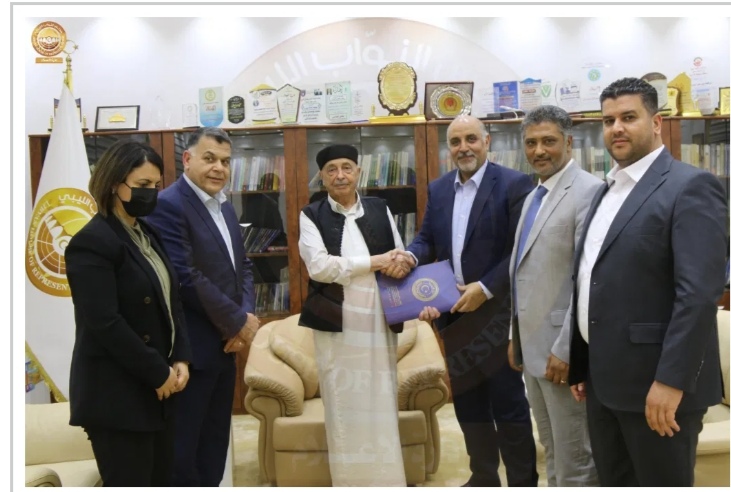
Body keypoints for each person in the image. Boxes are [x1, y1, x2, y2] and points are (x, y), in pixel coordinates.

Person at [568, 77, 728, 486]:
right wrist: (582, 363)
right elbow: (591, 280)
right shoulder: (606, 191)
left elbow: (698, 295)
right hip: (604, 383)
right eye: (608, 121)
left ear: (656, 123)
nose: (616, 128)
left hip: (658, 387)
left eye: (628, 117)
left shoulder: (689, 186)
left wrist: (671, 381)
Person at [400, 114, 538, 487]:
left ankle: (523, 482)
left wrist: (486, 288)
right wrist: (410, 257)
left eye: (471, 139)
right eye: (456, 141)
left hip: (498, 315)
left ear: (487, 141)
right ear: (449, 148)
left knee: (509, 406)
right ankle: (483, 477)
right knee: (469, 404)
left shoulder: (514, 183)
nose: (464, 148)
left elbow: (521, 248)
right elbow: (427, 239)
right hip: (455, 315)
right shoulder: (439, 189)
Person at [66, 140, 192, 486]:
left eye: (156, 185)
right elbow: (104, 322)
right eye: (142, 185)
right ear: (113, 184)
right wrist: (157, 372)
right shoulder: (91, 242)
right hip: (118, 395)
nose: (151, 193)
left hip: (159, 390)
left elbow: (172, 299)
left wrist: (180, 356)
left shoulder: (147, 233)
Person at [146, 127, 260, 486]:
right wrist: (237, 322)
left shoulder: (223, 205)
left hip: (226, 347)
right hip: (191, 353)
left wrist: (245, 318)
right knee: (184, 455)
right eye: (209, 159)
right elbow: (184, 276)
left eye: (225, 161)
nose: (218, 168)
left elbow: (243, 266)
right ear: (187, 159)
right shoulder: (168, 204)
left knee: (213, 448)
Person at [297, 144, 410, 486]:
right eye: (331, 169)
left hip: (379, 319)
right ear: (322, 177)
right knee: (344, 400)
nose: (340, 175)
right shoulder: (310, 214)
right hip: (337, 325)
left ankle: (388, 480)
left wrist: (402, 261)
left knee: (381, 398)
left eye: (347, 167)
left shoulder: (379, 208)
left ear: (359, 172)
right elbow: (319, 267)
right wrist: (376, 262)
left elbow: (399, 253)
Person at [507, 105, 601, 486]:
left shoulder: (588, 191)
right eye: (531, 143)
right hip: (532, 349)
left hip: (562, 355)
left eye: (548, 141)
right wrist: (514, 335)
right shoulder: (535, 194)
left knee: (576, 459)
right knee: (552, 450)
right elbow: (523, 274)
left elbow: (586, 279)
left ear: (569, 142)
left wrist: (567, 349)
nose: (539, 150)